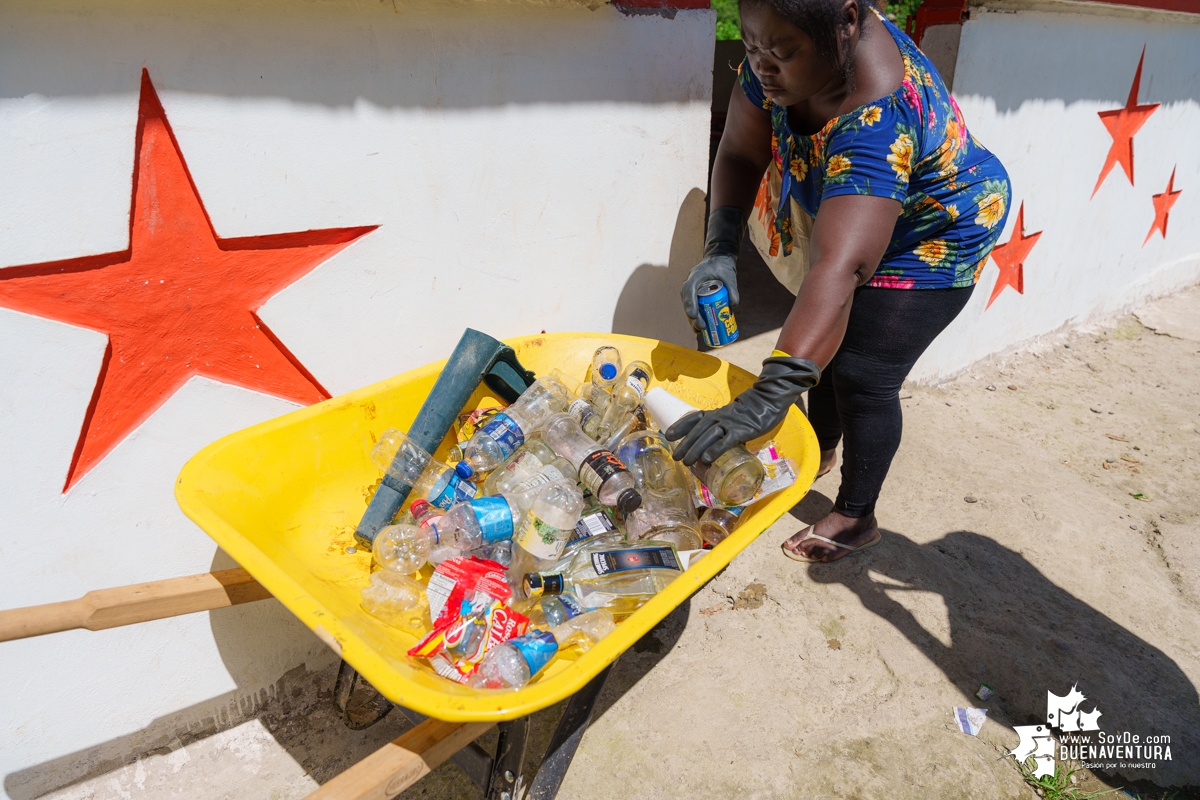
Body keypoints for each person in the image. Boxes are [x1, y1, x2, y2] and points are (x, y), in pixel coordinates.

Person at [669, 0, 1011, 562]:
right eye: (751, 47)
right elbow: (738, 149)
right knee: (823, 341)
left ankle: (856, 515)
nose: (761, 67)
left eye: (779, 53)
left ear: (847, 21)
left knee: (862, 372)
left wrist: (771, 393)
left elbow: (840, 267)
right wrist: (718, 251)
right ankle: (820, 448)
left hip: (936, 228)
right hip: (861, 212)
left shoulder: (878, 115)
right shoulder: (780, 53)